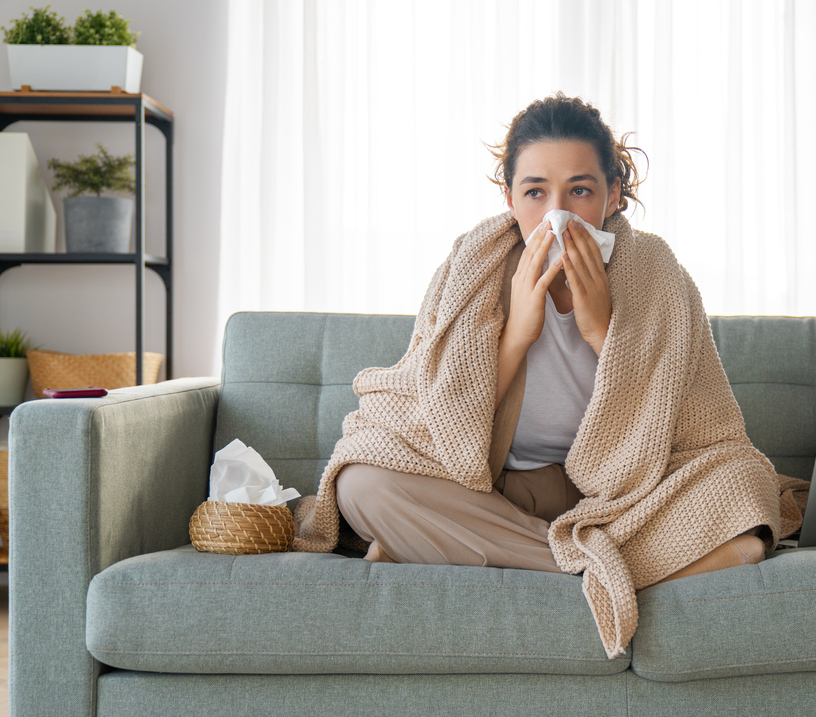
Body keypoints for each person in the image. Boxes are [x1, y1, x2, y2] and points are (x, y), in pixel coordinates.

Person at [294, 93, 781, 657]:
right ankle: (610, 569)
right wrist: (518, 332)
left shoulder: (654, 271)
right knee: (363, 484)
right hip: (498, 486)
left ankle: (445, 549)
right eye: (535, 192)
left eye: (580, 190)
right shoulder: (473, 264)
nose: (558, 212)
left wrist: (603, 332)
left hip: (623, 494)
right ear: (508, 197)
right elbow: (443, 424)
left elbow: (690, 428)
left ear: (612, 196)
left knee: (748, 486)